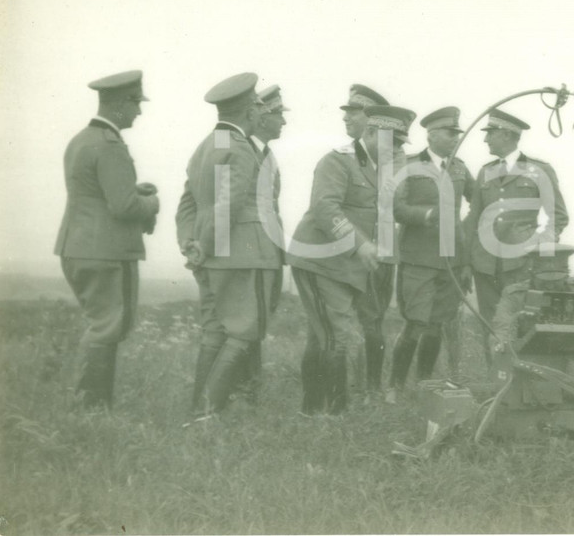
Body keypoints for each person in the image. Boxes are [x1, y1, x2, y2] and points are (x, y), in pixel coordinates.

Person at [288, 104, 413, 415]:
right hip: (319, 261)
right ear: (369, 133)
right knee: (336, 336)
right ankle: (335, 413)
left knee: (325, 337)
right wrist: (359, 244)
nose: (395, 149)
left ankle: (312, 411)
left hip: (343, 268)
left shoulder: (378, 170)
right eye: (390, 142)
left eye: (399, 144)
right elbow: (325, 207)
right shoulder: (337, 161)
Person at [175, 72, 282, 423]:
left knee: (215, 330)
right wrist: (204, 247)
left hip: (211, 255)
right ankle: (207, 412)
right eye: (257, 106)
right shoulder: (238, 149)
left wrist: (190, 244)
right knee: (244, 331)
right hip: (242, 253)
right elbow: (229, 206)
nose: (259, 112)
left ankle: (198, 410)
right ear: (249, 110)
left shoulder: (205, 146)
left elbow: (189, 202)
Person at [55, 70, 159, 408]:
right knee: (110, 327)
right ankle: (93, 408)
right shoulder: (110, 145)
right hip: (108, 252)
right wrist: (152, 202)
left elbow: (94, 193)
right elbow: (124, 206)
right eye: (135, 104)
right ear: (119, 104)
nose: (139, 112)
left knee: (100, 324)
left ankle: (87, 405)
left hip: (78, 246)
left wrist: (131, 192)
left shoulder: (81, 140)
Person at [465, 109, 569, 367]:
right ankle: (497, 384)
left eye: (490, 134)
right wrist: (466, 260)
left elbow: (559, 216)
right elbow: (474, 218)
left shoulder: (539, 170)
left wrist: (536, 247)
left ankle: (523, 386)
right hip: (485, 265)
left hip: (521, 265)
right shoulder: (485, 171)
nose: (486, 140)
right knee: (491, 326)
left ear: (507, 134)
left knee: (521, 323)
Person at [388, 106, 475, 402]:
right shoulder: (410, 165)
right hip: (419, 260)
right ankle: (395, 387)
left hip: (452, 262)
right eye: (450, 134)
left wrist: (464, 235)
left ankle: (423, 384)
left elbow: (478, 201)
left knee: (437, 324)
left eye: (457, 134)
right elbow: (395, 208)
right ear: (433, 135)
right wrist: (426, 215)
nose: (455, 139)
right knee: (415, 322)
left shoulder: (460, 167)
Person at [340, 84, 396, 400]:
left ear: (372, 120)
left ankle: (371, 387)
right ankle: (352, 385)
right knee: (349, 320)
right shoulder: (347, 157)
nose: (346, 118)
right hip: (351, 251)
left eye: (353, 112)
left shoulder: (391, 155)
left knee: (372, 320)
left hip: (380, 251)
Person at [235, 83, 289, 403]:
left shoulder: (265, 154)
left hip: (267, 251)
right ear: (262, 116)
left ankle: (249, 390)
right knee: (247, 321)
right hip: (250, 252)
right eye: (279, 114)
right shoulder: (245, 151)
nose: (284, 121)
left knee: (258, 320)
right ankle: (244, 392)